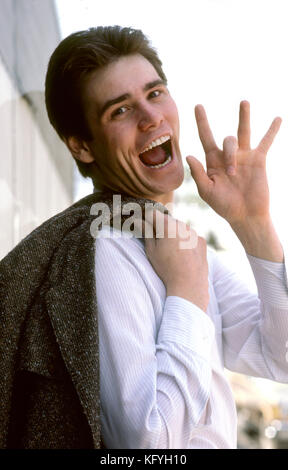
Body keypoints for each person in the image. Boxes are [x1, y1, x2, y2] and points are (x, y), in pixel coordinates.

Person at [1, 25, 288, 449]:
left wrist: (253, 222)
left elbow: (279, 356)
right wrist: (187, 290)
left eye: (154, 93)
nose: (151, 117)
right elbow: (146, 445)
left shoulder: (176, 244)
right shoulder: (108, 248)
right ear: (82, 147)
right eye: (119, 110)